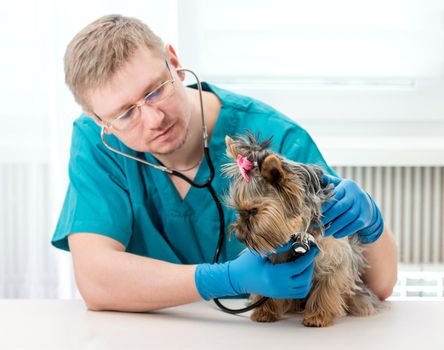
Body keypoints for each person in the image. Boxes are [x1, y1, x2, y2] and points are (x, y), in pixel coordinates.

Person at [52, 14, 397, 312]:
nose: (154, 118)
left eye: (156, 89)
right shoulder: (97, 145)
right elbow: (96, 281)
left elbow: (379, 285)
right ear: (99, 120)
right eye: (126, 113)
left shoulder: (276, 138)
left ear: (173, 61)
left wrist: (370, 223)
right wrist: (224, 279)